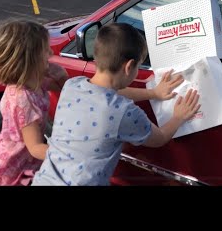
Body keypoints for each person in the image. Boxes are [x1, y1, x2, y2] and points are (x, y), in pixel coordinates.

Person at [32, 23, 201, 186]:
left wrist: (153, 93)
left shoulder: (73, 85)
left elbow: (109, 94)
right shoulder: (123, 112)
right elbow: (160, 138)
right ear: (129, 67)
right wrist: (178, 116)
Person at [0, 19, 69, 186]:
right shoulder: (23, 99)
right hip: (8, 170)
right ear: (28, 59)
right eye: (45, 51)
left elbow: (64, 89)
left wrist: (62, 76)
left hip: (23, 163)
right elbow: (35, 147)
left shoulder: (34, 83)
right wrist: (71, 155)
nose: (50, 54)